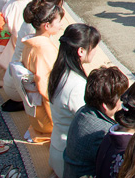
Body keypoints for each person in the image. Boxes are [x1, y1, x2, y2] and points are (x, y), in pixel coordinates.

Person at [48, 24, 101, 176]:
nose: (96, 50)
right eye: (94, 46)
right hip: (69, 158)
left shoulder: (59, 71)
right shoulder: (76, 85)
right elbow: (89, 125)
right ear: (81, 51)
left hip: (57, 148)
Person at [63, 66, 129, 178]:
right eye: (120, 99)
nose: (121, 103)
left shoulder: (83, 111)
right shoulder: (103, 131)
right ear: (105, 105)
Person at [21, 0, 65, 139]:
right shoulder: (43, 48)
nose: (60, 25)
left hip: (36, 112)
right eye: (58, 21)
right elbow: (45, 88)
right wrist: (58, 121)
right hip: (46, 118)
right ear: (46, 25)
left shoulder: (32, 42)